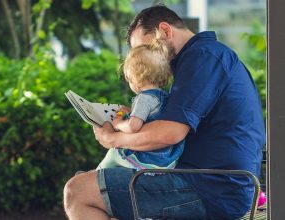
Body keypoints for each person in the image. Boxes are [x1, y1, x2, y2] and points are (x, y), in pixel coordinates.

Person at [63, 5, 265, 220]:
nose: (143, 59)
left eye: (145, 49)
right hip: (213, 183)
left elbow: (169, 133)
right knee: (98, 193)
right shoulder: (205, 57)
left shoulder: (202, 57)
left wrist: (113, 139)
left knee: (78, 191)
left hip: (212, 189)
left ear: (166, 31)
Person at [97, 33, 184, 170]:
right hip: (167, 158)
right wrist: (130, 112)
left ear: (134, 77)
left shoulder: (144, 98)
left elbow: (133, 127)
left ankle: (96, 173)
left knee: (114, 153)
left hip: (150, 159)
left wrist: (119, 124)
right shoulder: (164, 96)